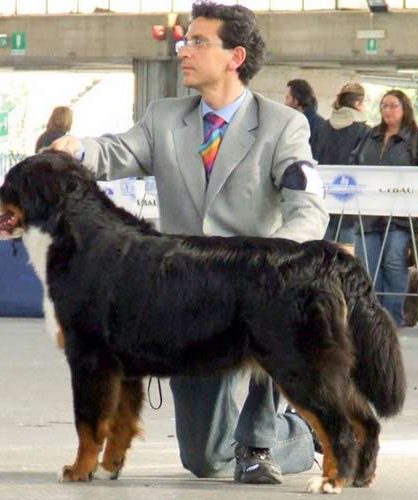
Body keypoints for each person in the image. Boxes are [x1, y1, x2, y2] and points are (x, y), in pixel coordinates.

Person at [51, 1, 327, 485]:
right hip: (187, 300)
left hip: (257, 289)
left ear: (234, 56)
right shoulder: (163, 118)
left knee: (281, 313)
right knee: (203, 459)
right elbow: (115, 150)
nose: (184, 51)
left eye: (198, 42)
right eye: (185, 41)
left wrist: (283, 259)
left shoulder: (285, 125)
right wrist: (78, 148)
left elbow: (307, 202)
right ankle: (298, 434)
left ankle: (265, 438)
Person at [350, 89, 418, 326]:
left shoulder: (417, 137)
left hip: (400, 216)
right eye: (384, 106)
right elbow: (354, 163)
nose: (387, 110)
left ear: (404, 108)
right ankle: (371, 318)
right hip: (368, 214)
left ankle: (393, 318)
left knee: (394, 263)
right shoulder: (370, 135)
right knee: (368, 267)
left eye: (393, 106)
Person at [312, 82, 370, 255]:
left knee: (323, 257)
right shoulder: (365, 131)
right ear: (358, 104)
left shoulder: (321, 128)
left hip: (322, 201)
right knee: (347, 259)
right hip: (350, 204)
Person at [284, 78, 326, 157]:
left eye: (287, 98)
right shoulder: (291, 122)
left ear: (296, 99)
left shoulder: (318, 125)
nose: (285, 103)